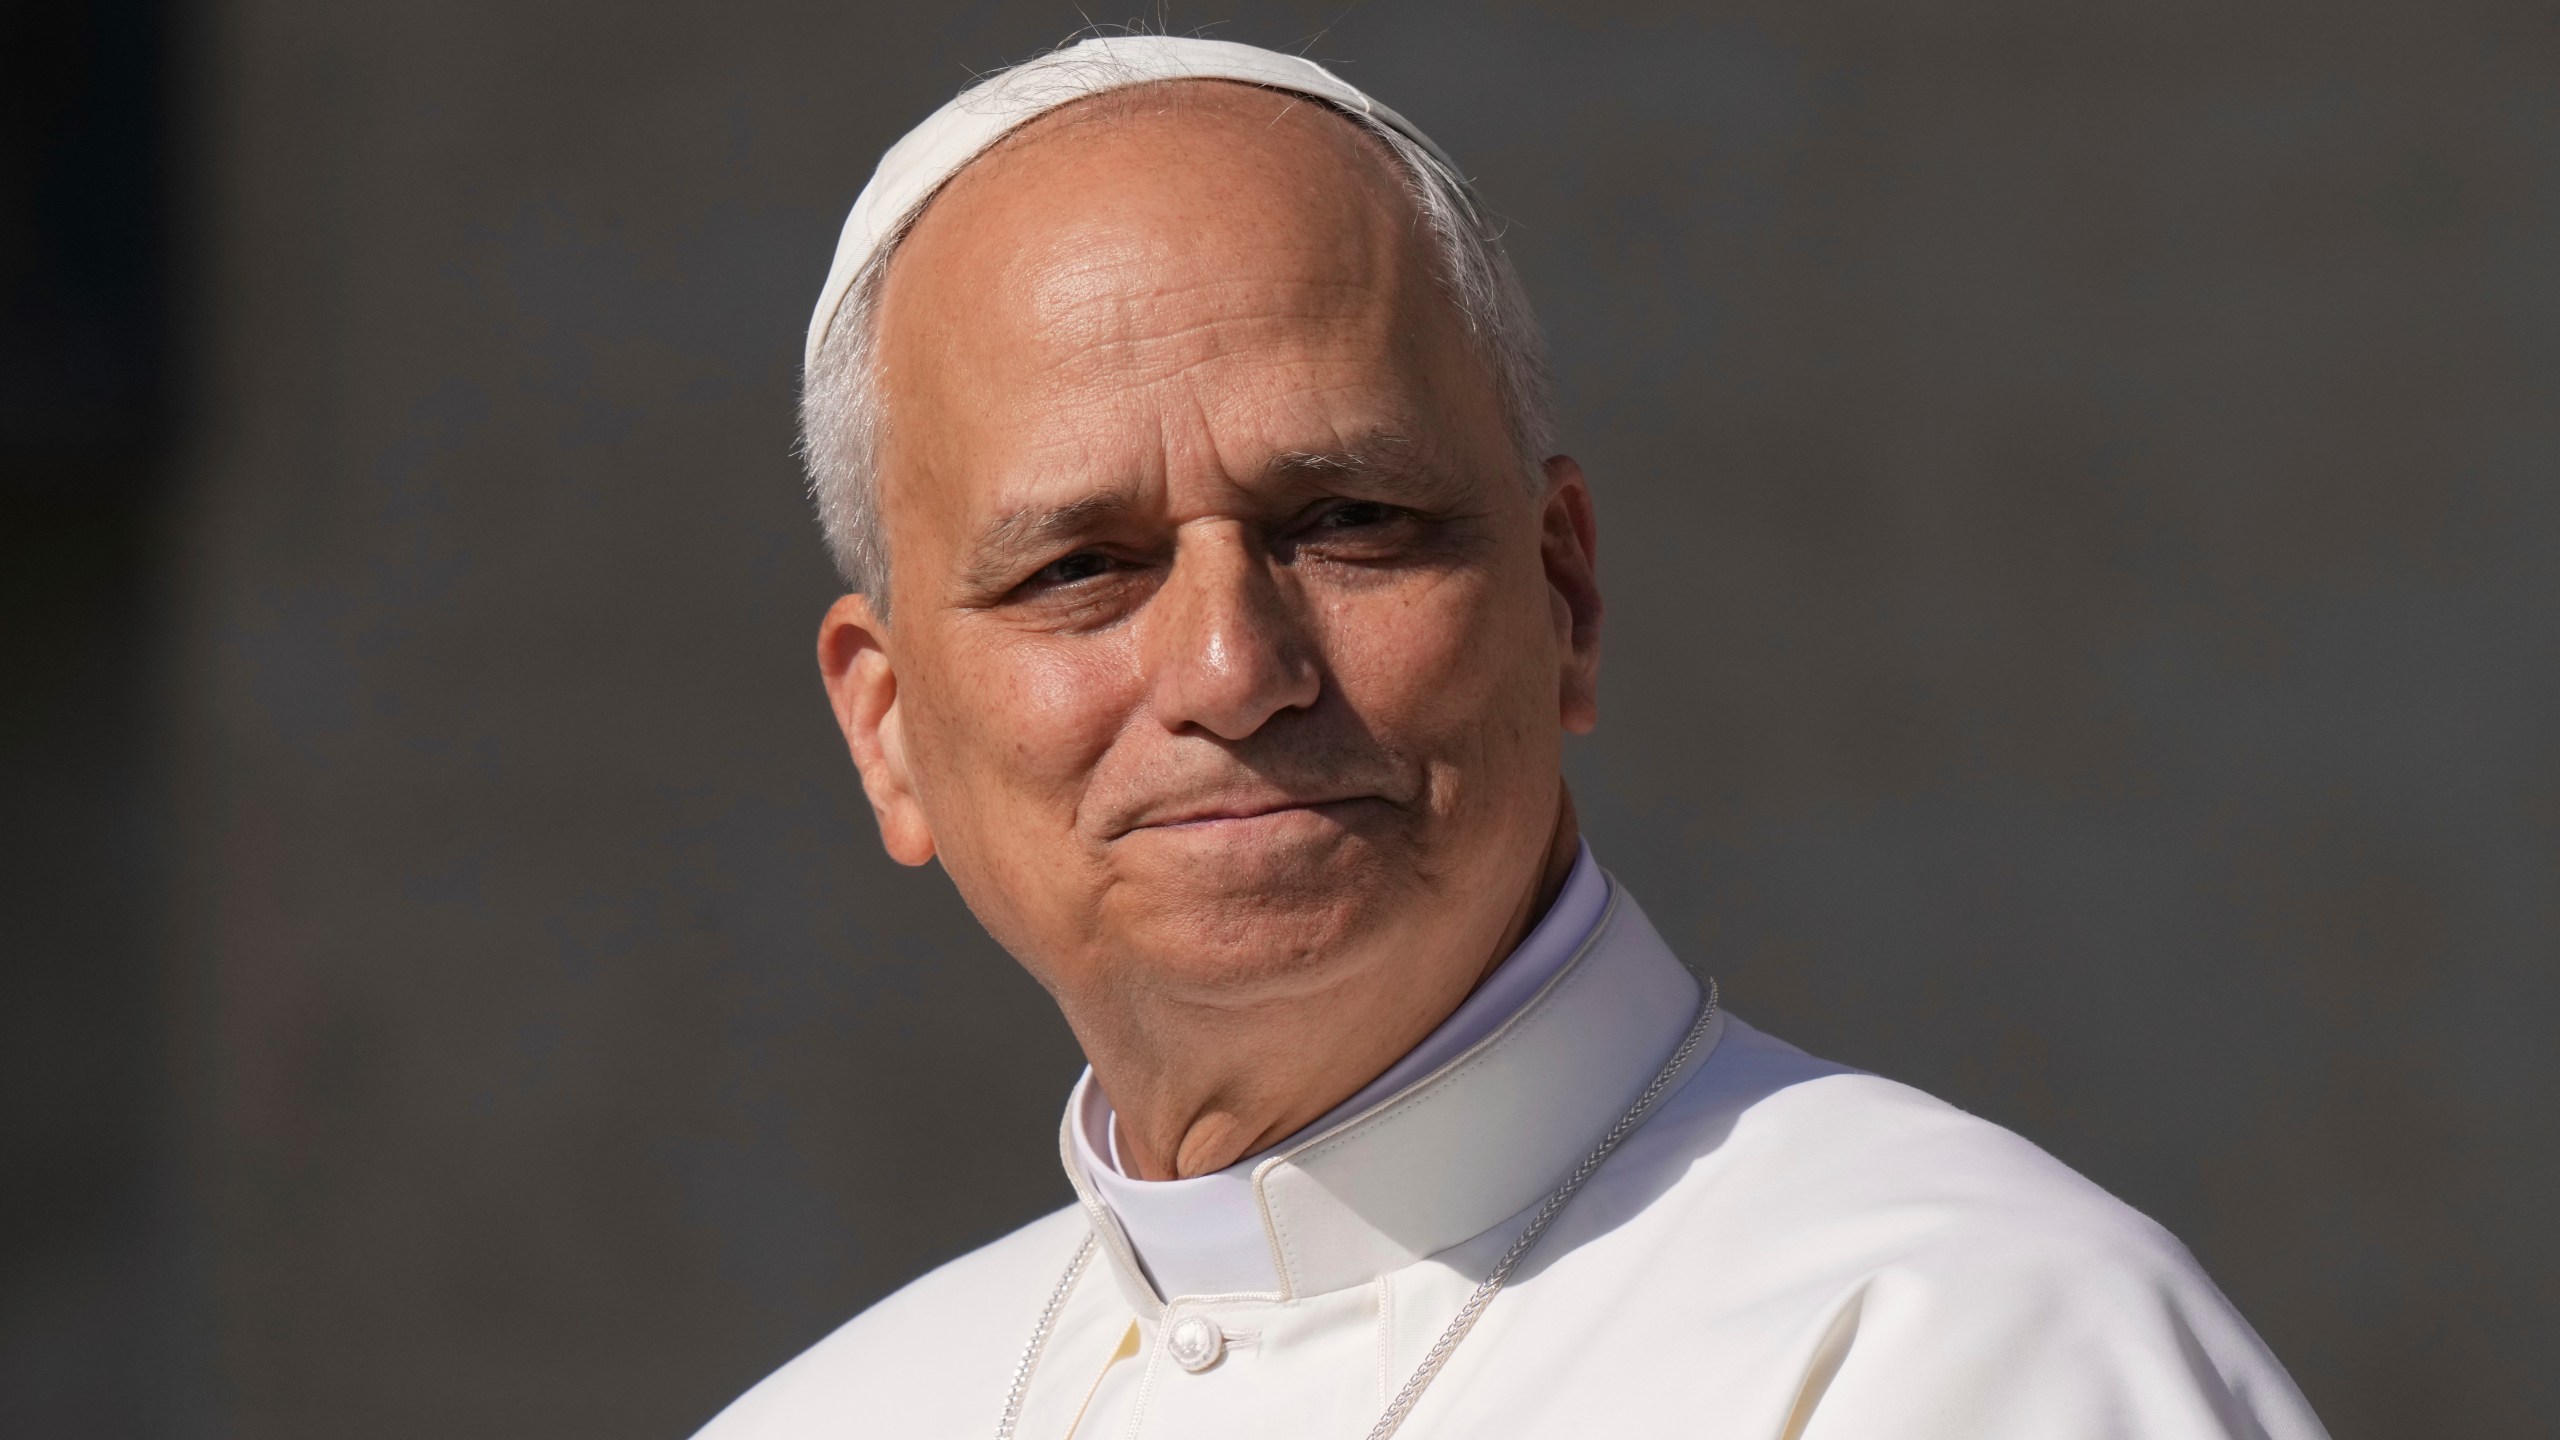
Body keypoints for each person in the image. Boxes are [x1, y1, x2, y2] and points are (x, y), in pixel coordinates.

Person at [697, 34, 2328, 1440]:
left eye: (1346, 519)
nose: (1230, 664)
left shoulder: (1956, 1350)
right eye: (1081, 569)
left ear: (1566, 596)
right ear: (890, 726)